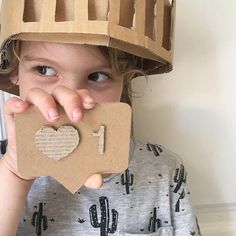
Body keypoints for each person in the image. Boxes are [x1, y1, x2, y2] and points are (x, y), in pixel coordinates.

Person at [0, 0, 201, 235]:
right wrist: (15, 172)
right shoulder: (7, 167)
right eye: (44, 70)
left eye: (97, 76)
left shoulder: (165, 170)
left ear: (124, 80)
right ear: (15, 72)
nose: (71, 97)